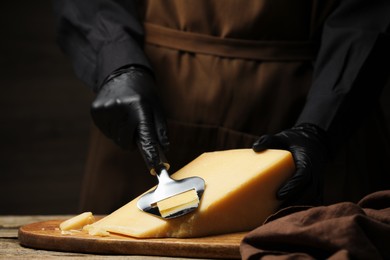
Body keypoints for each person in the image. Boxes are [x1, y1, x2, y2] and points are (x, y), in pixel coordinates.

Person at [53, 0, 390, 214]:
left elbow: (372, 13)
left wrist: (319, 125)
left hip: (307, 112)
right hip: (150, 103)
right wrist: (117, 62)